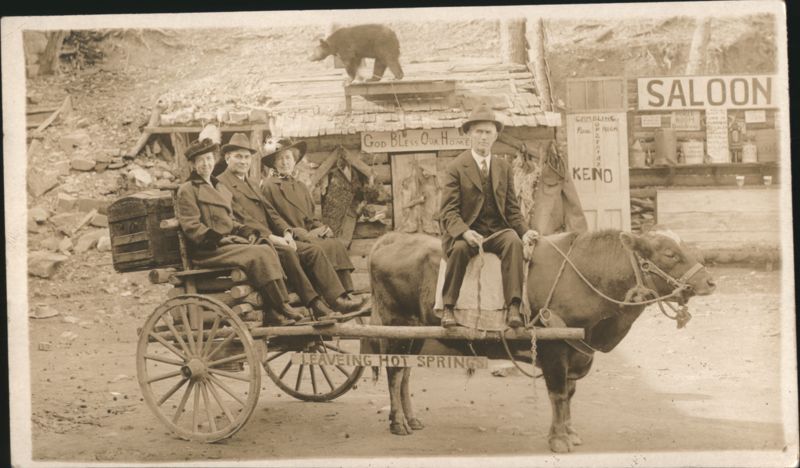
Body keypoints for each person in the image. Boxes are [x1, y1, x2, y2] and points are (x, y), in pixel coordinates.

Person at [216, 133, 364, 321]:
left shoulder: (251, 183)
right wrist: (271, 236)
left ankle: (337, 300)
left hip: (269, 237)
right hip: (250, 240)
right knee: (290, 252)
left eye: (246, 157)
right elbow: (239, 219)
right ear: (228, 158)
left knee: (312, 251)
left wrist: (286, 232)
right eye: (238, 157)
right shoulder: (222, 184)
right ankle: (315, 304)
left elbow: (271, 213)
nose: (243, 161)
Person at [175, 138, 303, 326]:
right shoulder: (187, 190)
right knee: (257, 253)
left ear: (214, 160)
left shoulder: (217, 186)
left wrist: (246, 231)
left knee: (266, 247)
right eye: (200, 160)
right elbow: (191, 226)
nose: (206, 164)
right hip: (208, 249)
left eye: (209, 159)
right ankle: (280, 306)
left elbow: (230, 220)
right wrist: (219, 240)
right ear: (193, 165)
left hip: (227, 243)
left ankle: (276, 309)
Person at [439, 104, 538, 329]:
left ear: (495, 136)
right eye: (478, 132)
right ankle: (448, 307)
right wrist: (464, 232)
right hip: (468, 233)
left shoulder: (503, 167)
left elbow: (512, 210)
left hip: (496, 233)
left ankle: (514, 307)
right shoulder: (456, 167)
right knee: (459, 250)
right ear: (469, 134)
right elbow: (448, 211)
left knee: (513, 241)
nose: (483, 137)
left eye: (488, 132)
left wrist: (525, 231)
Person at [260, 137, 362, 300]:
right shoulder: (268, 186)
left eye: (288, 158)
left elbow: (309, 217)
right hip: (289, 238)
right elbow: (272, 219)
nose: (285, 162)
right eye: (280, 159)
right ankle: (334, 297)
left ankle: (347, 292)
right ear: (273, 163)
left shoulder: (300, 186)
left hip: (306, 234)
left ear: (294, 161)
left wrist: (322, 227)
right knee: (318, 249)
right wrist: (296, 232)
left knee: (335, 244)